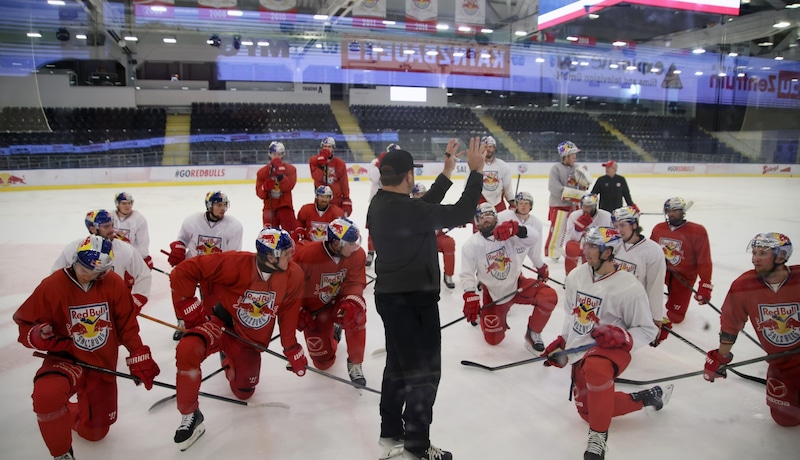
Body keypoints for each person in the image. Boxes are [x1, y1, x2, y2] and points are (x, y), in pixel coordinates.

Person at [367, 138, 484, 460]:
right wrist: (475, 173)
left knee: (398, 368)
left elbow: (423, 207)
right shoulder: (407, 209)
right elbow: (461, 211)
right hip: (413, 303)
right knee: (424, 375)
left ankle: (391, 432)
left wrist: (447, 172)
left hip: (393, 299)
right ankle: (417, 445)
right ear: (408, 177)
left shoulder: (381, 202)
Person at [14, 235, 160, 460]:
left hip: (102, 363)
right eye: (82, 267)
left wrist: (138, 353)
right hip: (66, 359)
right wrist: (38, 335)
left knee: (95, 433)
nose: (85, 274)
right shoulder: (52, 285)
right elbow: (25, 324)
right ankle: (62, 454)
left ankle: (71, 413)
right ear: (75, 259)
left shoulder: (113, 283)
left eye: (94, 272)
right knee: (47, 395)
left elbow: (127, 325)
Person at [170, 228, 308, 451]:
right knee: (188, 349)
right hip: (222, 324)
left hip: (249, 340)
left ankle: (228, 357)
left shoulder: (294, 274)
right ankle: (190, 415)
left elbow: (289, 311)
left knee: (245, 390)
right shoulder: (235, 262)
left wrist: (291, 347)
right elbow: (183, 272)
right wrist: (187, 304)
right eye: (283, 253)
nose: (289, 256)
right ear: (267, 256)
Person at [541, 227, 669, 460]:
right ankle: (646, 397)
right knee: (589, 412)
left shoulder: (629, 287)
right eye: (586, 245)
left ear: (609, 252)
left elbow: (648, 329)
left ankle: (598, 438)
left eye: (593, 247)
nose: (586, 251)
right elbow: (571, 316)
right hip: (582, 349)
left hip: (611, 351)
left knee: (596, 369)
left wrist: (624, 337)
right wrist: (564, 346)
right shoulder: (576, 276)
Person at [704, 233, 800, 427]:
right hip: (781, 362)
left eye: (762, 253)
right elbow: (731, 322)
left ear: (781, 256)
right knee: (785, 419)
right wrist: (721, 357)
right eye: (754, 252)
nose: (755, 258)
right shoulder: (743, 285)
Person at [460, 203, 558, 352]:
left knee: (548, 297)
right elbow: (467, 273)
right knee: (493, 340)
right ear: (476, 222)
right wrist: (470, 294)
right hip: (494, 295)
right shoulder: (471, 244)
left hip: (517, 286)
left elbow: (533, 238)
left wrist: (518, 229)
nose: (486, 219)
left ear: (496, 217)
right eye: (482, 217)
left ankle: (533, 333)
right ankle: (486, 314)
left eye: (489, 215)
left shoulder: (508, 234)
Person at [293, 217, 368, 385]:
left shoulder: (357, 255)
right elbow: (291, 287)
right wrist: (297, 311)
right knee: (323, 364)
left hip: (341, 301)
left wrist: (352, 302)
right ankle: (333, 330)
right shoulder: (306, 255)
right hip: (315, 309)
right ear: (335, 243)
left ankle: (355, 362)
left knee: (357, 314)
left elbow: (355, 282)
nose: (354, 247)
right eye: (349, 243)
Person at [165, 191, 243, 340]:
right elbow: (181, 240)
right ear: (209, 206)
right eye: (219, 205)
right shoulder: (192, 221)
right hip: (192, 266)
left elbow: (233, 255)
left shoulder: (234, 226)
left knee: (213, 307)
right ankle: (182, 322)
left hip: (215, 271)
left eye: (224, 205)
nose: (223, 209)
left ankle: (211, 324)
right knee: (180, 290)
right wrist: (178, 249)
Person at [53, 209, 151, 314]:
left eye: (112, 225)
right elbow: (56, 275)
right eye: (106, 226)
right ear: (92, 228)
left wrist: (136, 301)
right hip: (81, 309)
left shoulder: (125, 249)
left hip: (114, 308)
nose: (112, 230)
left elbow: (143, 274)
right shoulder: (73, 249)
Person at [649, 196, 712, 324]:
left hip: (683, 276)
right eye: (669, 211)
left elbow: (704, 260)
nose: (671, 214)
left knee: (675, 317)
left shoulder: (697, 231)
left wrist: (705, 285)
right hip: (661, 272)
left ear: (683, 211)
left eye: (675, 210)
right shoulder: (659, 228)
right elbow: (648, 252)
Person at [611, 206, 668, 345]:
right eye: (616, 225)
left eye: (623, 225)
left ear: (635, 224)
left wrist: (655, 318)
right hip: (610, 302)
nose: (619, 230)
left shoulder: (652, 251)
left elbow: (655, 286)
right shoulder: (612, 244)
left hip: (633, 306)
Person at [546, 140, 591, 260]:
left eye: (575, 154)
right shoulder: (556, 169)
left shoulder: (577, 168)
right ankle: (553, 252)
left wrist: (584, 183)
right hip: (559, 205)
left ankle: (572, 249)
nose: (574, 157)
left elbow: (583, 187)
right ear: (565, 156)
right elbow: (554, 188)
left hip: (574, 206)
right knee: (557, 229)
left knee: (573, 229)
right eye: (572, 154)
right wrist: (577, 194)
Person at [497, 191, 550, 282]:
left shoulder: (536, 224)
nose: (523, 206)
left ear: (531, 206)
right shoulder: (504, 216)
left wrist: (540, 266)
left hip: (516, 267)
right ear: (516, 205)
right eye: (520, 203)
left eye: (526, 203)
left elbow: (534, 251)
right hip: (499, 262)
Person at [413, 183, 457, 289]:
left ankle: (448, 275)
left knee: (449, 243)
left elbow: (446, 217)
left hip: (436, 237)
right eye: (417, 194)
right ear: (413, 195)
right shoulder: (409, 207)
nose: (420, 196)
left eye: (423, 193)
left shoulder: (434, 205)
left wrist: (455, 221)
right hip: (418, 240)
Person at [366, 143, 401, 267]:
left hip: (394, 201)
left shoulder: (401, 165)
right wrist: (381, 164)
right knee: (372, 228)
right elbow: (374, 178)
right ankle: (370, 252)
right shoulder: (376, 161)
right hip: (376, 201)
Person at [563, 194, 612, 275]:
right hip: (581, 244)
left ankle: (593, 274)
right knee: (571, 248)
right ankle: (569, 275)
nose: (585, 209)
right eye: (584, 206)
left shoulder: (606, 216)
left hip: (597, 246)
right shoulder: (574, 215)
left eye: (588, 207)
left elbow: (610, 236)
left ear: (594, 206)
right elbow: (570, 238)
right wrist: (578, 229)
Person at [256, 141, 299, 231]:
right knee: (269, 237)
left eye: (279, 154)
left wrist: (281, 177)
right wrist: (264, 188)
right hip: (269, 208)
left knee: (292, 236)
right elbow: (260, 194)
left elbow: (289, 187)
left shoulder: (291, 169)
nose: (277, 157)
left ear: (283, 154)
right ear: (270, 154)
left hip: (285, 207)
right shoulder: (262, 172)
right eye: (274, 154)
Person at [309, 136, 352, 216]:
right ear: (322, 147)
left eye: (329, 147)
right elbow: (316, 176)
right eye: (325, 146)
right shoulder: (313, 160)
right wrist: (321, 164)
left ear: (333, 148)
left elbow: (344, 183)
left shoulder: (340, 163)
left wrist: (346, 199)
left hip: (336, 199)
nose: (327, 149)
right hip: (321, 199)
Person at [111, 192, 153, 269]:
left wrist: (142, 258)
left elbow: (143, 242)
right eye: (124, 203)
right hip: (110, 257)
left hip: (129, 258)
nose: (128, 206)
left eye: (129, 203)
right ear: (117, 205)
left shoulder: (139, 219)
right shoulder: (109, 216)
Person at [478, 135, 515, 213]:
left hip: (499, 205)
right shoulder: (475, 165)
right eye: (485, 147)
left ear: (494, 148)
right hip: (480, 204)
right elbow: (468, 188)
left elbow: (508, 189)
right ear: (481, 148)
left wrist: (513, 205)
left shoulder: (503, 166)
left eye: (490, 146)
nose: (488, 149)